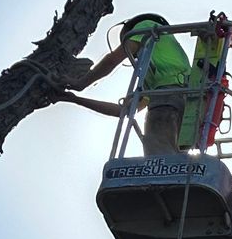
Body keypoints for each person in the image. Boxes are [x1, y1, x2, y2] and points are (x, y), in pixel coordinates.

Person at [84, 12, 201, 154]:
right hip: (188, 103)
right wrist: (74, 99)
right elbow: (124, 111)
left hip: (167, 100)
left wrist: (81, 83)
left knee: (157, 163)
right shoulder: (155, 72)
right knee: (174, 163)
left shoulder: (146, 27)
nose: (133, 55)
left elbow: (112, 60)